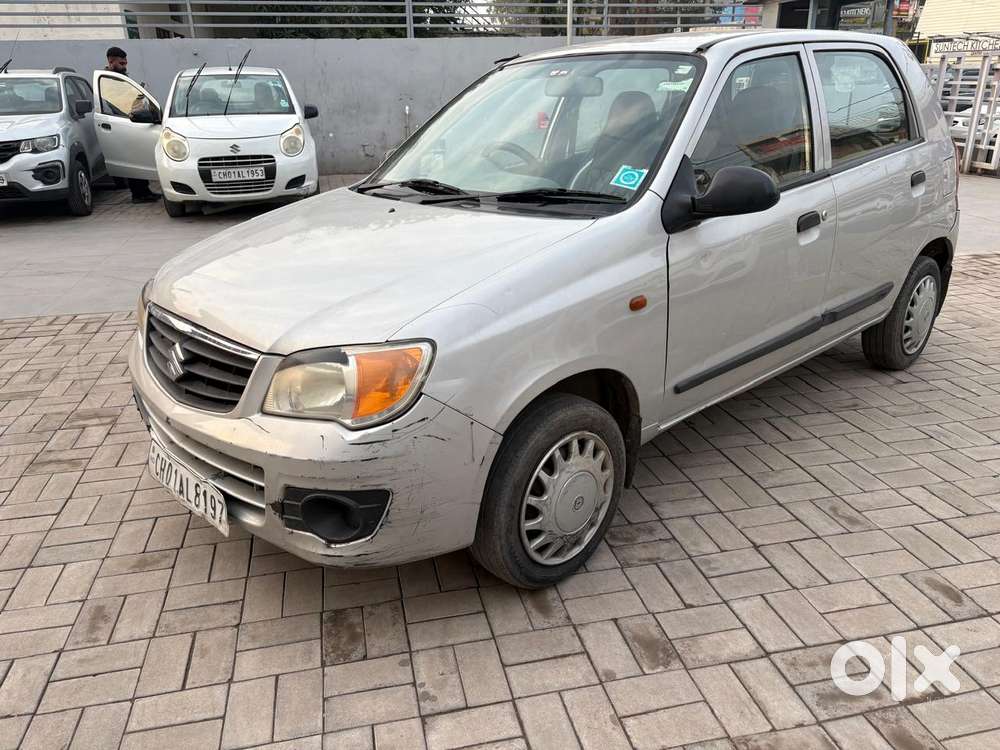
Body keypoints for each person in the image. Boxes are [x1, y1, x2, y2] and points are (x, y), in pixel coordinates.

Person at [105, 46, 160, 203]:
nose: (125, 66)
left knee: (138, 157)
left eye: (126, 63)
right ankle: (138, 194)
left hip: (132, 120)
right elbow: (119, 103)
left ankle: (144, 191)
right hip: (122, 122)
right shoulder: (109, 80)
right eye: (122, 63)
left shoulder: (119, 77)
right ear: (111, 61)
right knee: (132, 159)